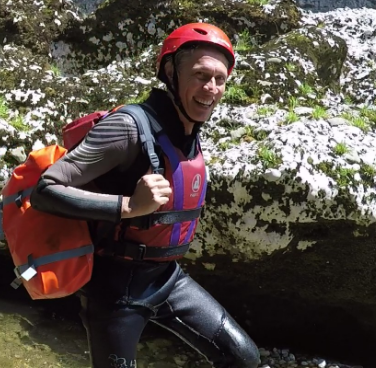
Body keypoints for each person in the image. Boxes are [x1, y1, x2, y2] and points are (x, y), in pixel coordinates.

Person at [30, 23, 260, 368]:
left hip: (167, 278)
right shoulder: (126, 128)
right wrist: (129, 206)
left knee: (243, 358)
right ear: (171, 72)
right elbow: (44, 191)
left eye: (220, 79)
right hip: (115, 290)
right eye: (200, 75)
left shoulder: (186, 130)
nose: (211, 88)